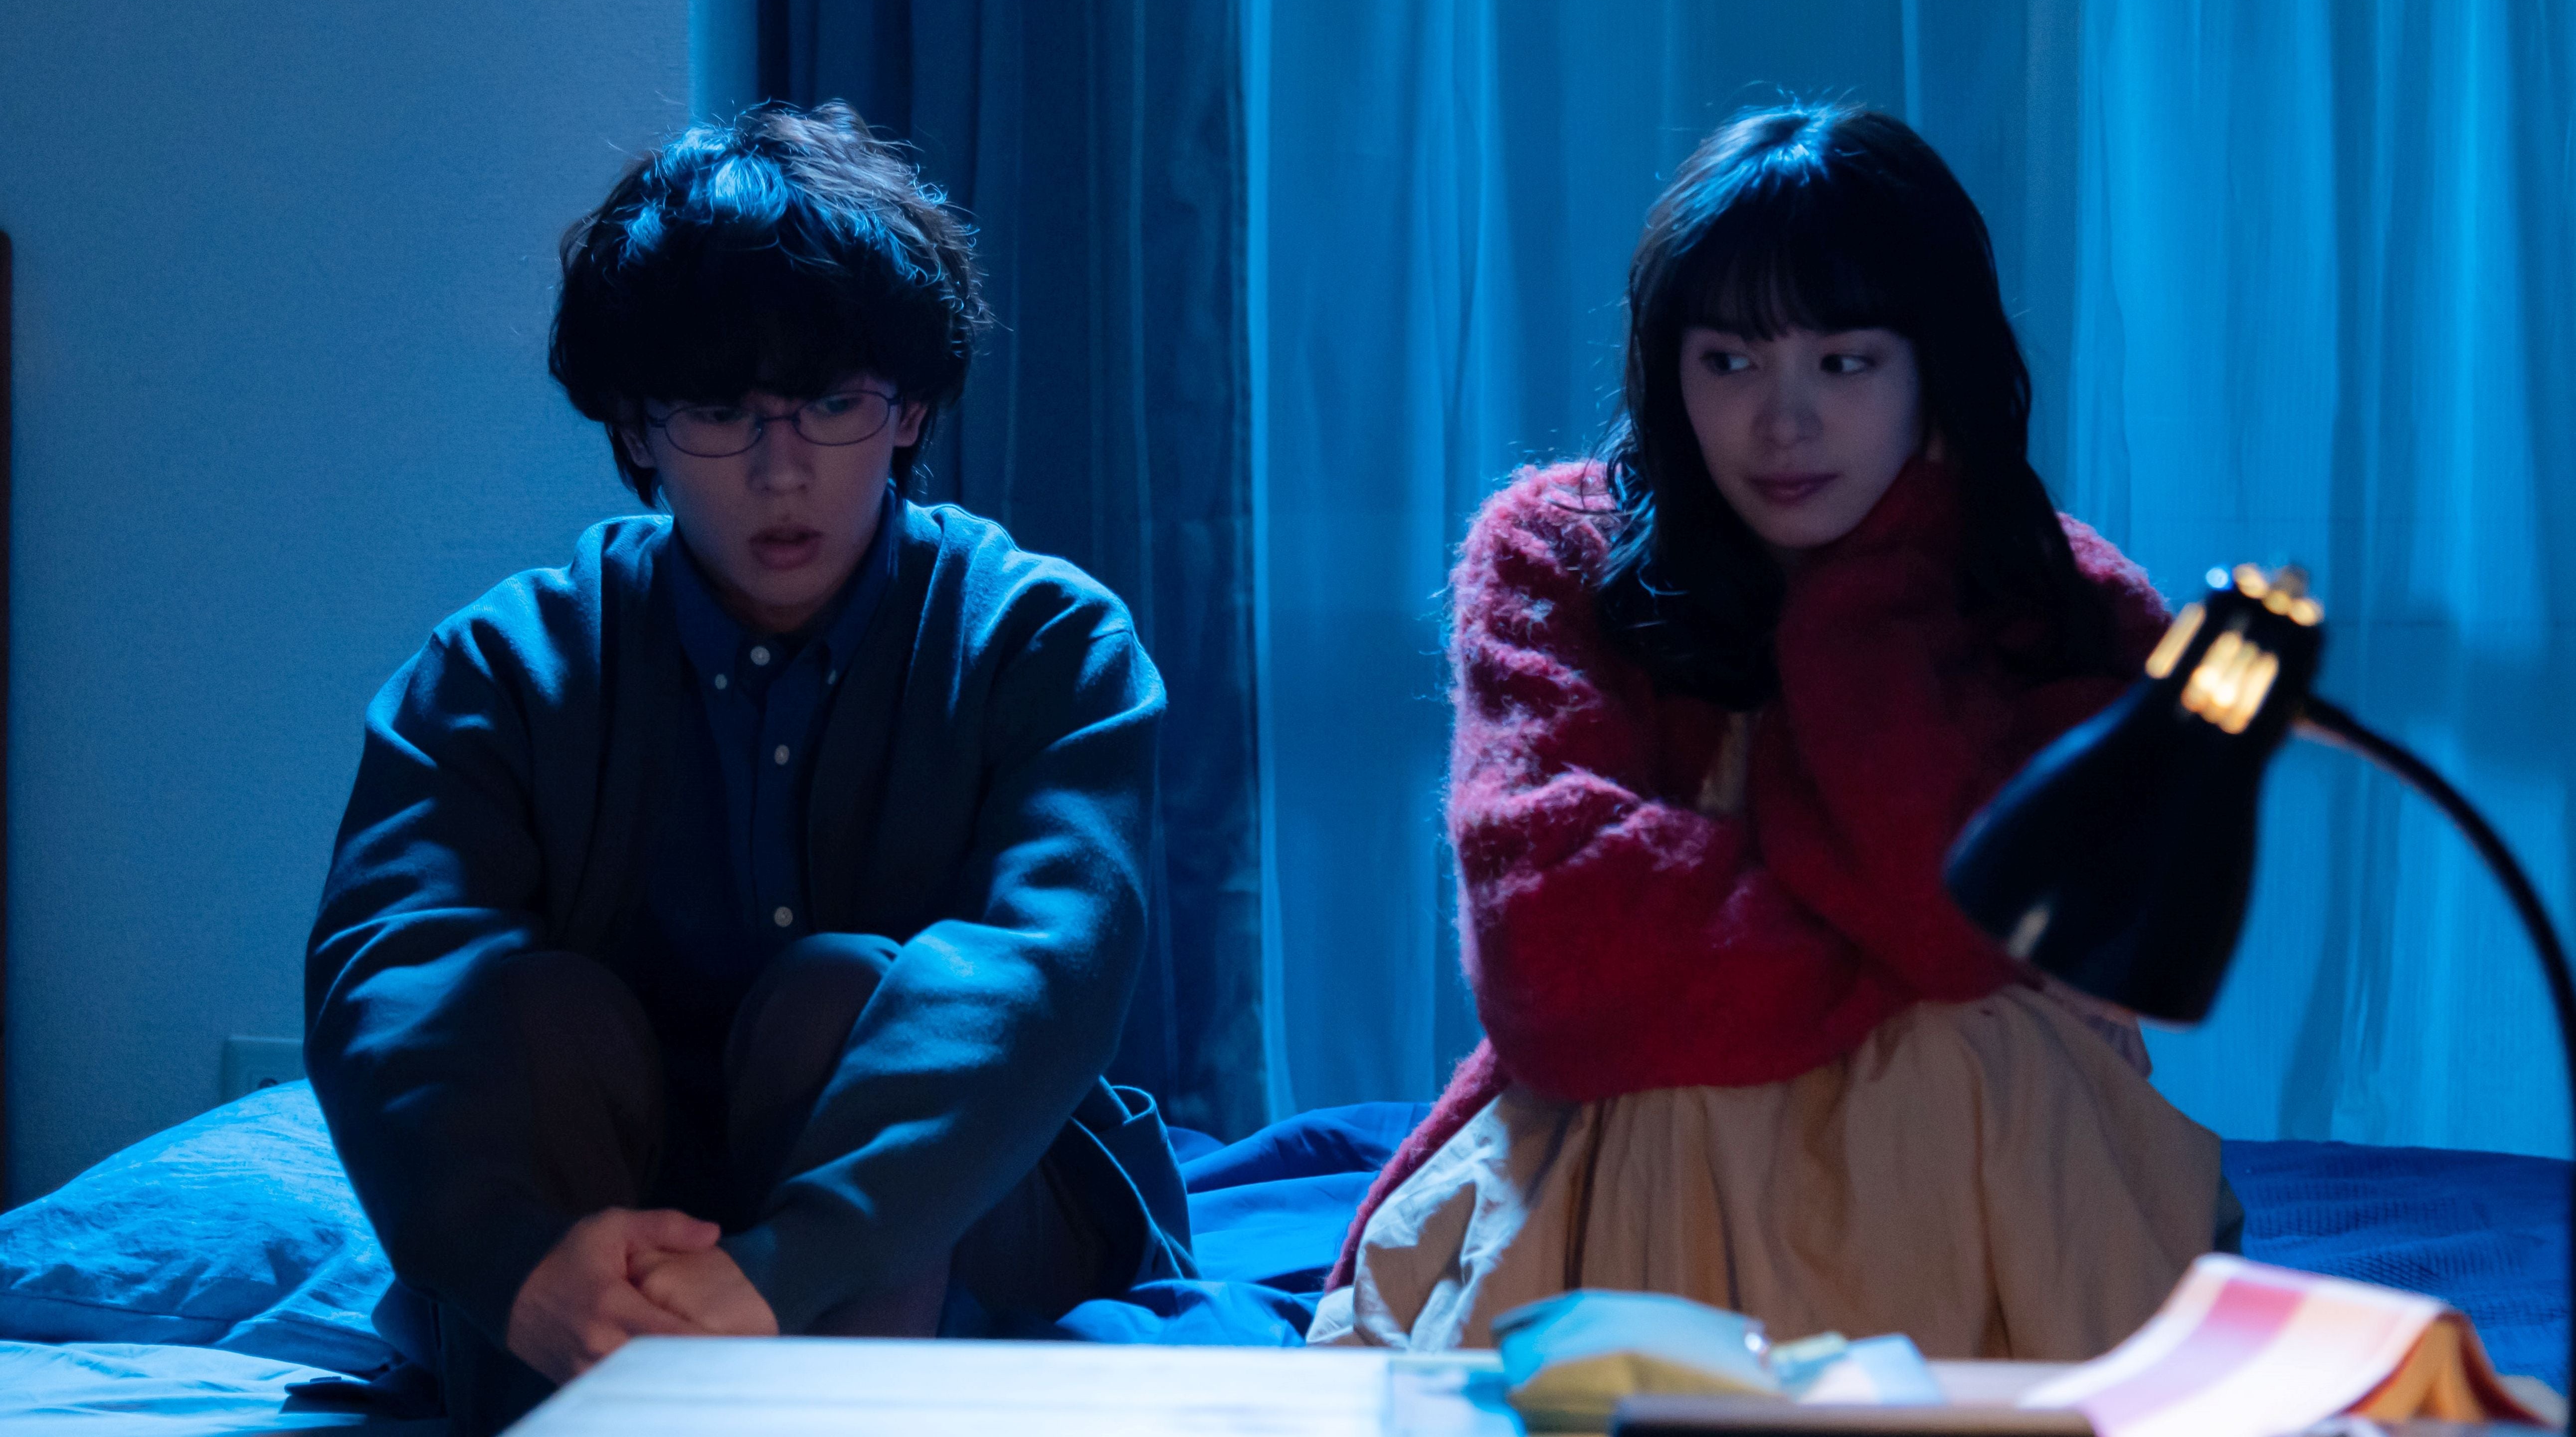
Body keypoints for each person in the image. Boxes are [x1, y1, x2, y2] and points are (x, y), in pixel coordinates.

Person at [305, 102, 1191, 1434]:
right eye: (721, 412)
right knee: (533, 1009)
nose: (783, 470)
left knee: (844, 993)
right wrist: (512, 1265)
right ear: (638, 429)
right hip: (607, 1225)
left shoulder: (1044, 640)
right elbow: (392, 966)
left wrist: (783, 1269)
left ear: (908, 408)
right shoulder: (503, 667)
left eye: (832, 404)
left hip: (953, 1218)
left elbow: (1043, 964)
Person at [1309, 102, 2228, 1357]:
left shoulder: (2070, 607)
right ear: (1669, 369)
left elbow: (2026, 943)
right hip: (1626, 1146)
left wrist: (1875, 595)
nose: (1784, 423)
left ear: (1937, 367)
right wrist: (1928, 951)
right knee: (1741, 1079)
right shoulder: (1558, 556)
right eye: (1730, 363)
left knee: (1958, 1057)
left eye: (1845, 363)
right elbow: (1556, 960)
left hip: (1989, 1154)